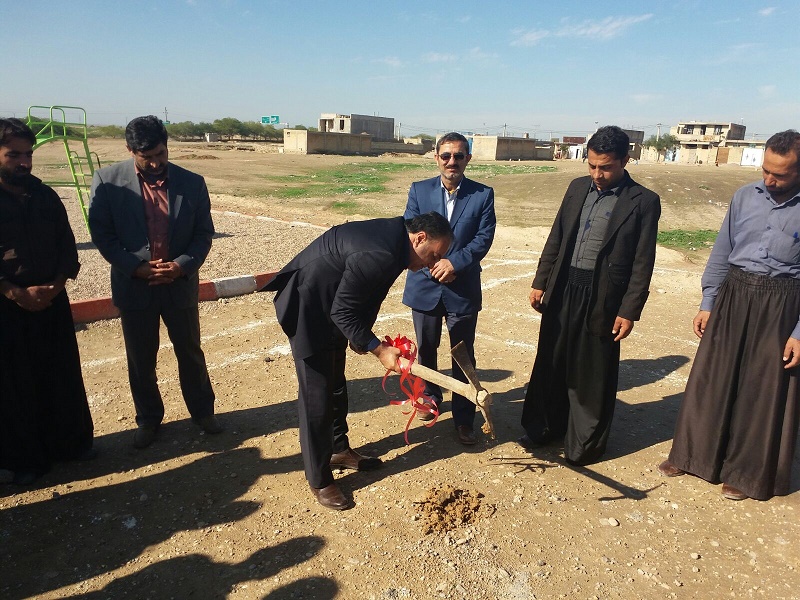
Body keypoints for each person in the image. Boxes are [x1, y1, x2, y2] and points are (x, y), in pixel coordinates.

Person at [263, 213, 453, 510]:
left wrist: (361, 336)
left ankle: (338, 449)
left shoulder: (396, 246)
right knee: (317, 397)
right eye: (434, 255)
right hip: (309, 306)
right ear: (419, 239)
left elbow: (369, 295)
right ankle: (320, 479)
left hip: (333, 305)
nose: (433, 263)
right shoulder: (381, 252)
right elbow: (343, 312)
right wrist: (378, 349)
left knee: (335, 385)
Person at [659, 130, 800, 501]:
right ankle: (693, 457)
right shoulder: (743, 197)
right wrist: (708, 301)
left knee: (761, 390)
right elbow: (722, 252)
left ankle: (747, 473)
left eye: (780, 175)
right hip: (734, 294)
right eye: (766, 170)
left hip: (782, 304)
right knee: (712, 379)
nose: (769, 179)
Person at [519, 125, 661, 465]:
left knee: (591, 371)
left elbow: (643, 262)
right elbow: (557, 237)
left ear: (626, 160)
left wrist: (629, 310)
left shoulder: (643, 202)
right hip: (564, 287)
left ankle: (584, 444)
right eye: (592, 165)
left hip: (603, 297)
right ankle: (543, 428)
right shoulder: (576, 187)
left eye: (606, 167)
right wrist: (541, 280)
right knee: (551, 361)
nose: (597, 174)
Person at [88, 116, 220, 449]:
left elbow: (204, 233)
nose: (155, 162)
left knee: (190, 352)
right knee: (141, 358)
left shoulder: (192, 183)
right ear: (130, 150)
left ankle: (203, 413)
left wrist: (181, 266)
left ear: (166, 145)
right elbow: (102, 235)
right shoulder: (107, 181)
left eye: (160, 153)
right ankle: (148, 420)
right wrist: (136, 268)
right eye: (146, 156)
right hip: (135, 287)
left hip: (179, 285)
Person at [0, 118, 94, 485]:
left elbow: (66, 246)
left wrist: (55, 286)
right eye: (13, 155)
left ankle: (71, 445)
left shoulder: (45, 195)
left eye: (28, 154)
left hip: (52, 301)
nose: (24, 162)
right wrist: (14, 292)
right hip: (7, 307)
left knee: (60, 375)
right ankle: (25, 459)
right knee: (15, 385)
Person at [402, 132, 496, 445]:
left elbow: (483, 238)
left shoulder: (482, 195)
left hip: (461, 286)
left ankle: (464, 418)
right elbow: (411, 233)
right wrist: (433, 266)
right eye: (446, 156)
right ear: (437, 158)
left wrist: (454, 264)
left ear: (468, 158)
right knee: (426, 347)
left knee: (462, 354)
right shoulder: (419, 190)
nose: (452, 162)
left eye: (458, 156)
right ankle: (429, 399)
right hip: (425, 286)